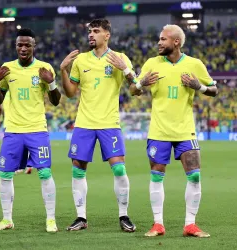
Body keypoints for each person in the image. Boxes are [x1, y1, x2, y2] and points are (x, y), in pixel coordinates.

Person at [129, 24, 218, 238]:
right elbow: (133, 90)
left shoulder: (194, 64)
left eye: (163, 39)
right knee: (157, 177)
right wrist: (141, 84)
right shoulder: (152, 63)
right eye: (159, 39)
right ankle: (158, 224)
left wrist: (200, 87)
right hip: (159, 131)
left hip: (185, 131)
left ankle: (190, 224)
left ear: (176, 42)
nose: (159, 43)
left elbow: (214, 89)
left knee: (195, 176)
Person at [60, 19, 136, 232]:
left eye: (96, 31)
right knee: (78, 169)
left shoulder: (120, 58)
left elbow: (136, 89)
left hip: (109, 123)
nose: (91, 35)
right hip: (84, 123)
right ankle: (81, 217)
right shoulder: (81, 60)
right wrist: (63, 70)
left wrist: (126, 70)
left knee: (119, 168)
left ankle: (124, 215)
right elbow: (70, 92)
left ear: (107, 35)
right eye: (89, 31)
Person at [0, 28, 61, 232]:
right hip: (13, 130)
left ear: (34, 46)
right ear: (15, 46)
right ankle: (6, 219)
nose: (23, 48)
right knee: (5, 174)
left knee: (45, 172)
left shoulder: (44, 68)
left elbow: (56, 102)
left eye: (27, 45)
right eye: (19, 45)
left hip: (37, 129)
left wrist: (51, 82)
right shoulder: (7, 69)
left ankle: (50, 219)